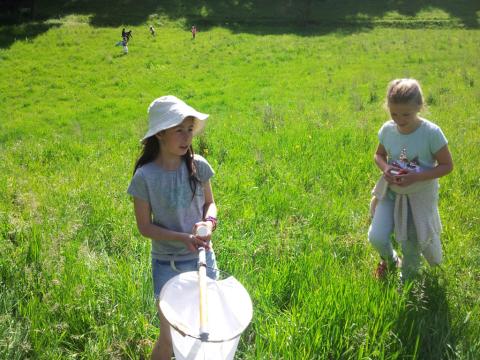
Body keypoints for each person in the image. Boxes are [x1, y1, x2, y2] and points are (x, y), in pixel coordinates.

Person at [127, 96, 219, 359]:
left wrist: (209, 223)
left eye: (189, 129)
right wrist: (183, 237)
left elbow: (211, 205)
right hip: (167, 265)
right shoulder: (145, 177)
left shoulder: (198, 165)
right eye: (178, 129)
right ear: (160, 134)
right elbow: (145, 227)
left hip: (203, 258)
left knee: (204, 332)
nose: (186, 137)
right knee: (170, 337)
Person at [368, 79, 453, 280]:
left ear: (419, 106)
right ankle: (390, 260)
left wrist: (416, 177)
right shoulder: (388, 130)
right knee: (377, 237)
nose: (399, 119)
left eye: (405, 114)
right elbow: (378, 155)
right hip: (391, 191)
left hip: (418, 198)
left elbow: (447, 166)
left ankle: (407, 286)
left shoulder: (431, 133)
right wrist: (386, 167)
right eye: (394, 113)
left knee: (411, 245)